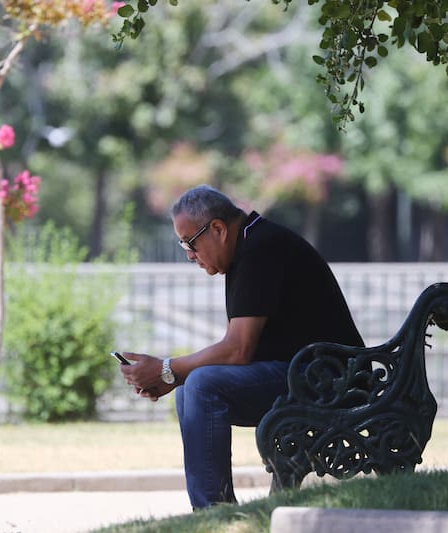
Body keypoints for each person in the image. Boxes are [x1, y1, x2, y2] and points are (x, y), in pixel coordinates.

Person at [119, 184, 364, 509]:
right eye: (183, 245)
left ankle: (214, 512)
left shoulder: (261, 249)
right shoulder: (248, 246)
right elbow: (236, 351)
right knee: (191, 387)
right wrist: (171, 378)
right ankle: (211, 508)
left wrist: (166, 368)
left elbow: (238, 350)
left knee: (203, 386)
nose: (190, 255)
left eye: (190, 243)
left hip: (333, 380)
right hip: (309, 373)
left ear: (218, 229)